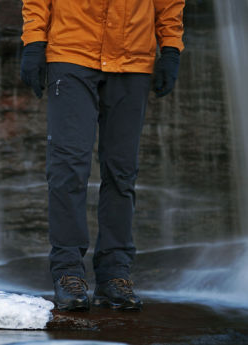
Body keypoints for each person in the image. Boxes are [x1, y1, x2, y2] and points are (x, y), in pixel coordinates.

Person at [20, 0, 185, 311]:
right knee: (68, 167)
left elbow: (170, 3)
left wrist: (171, 48)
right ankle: (68, 271)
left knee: (122, 172)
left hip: (133, 60)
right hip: (71, 54)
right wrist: (34, 42)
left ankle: (114, 276)